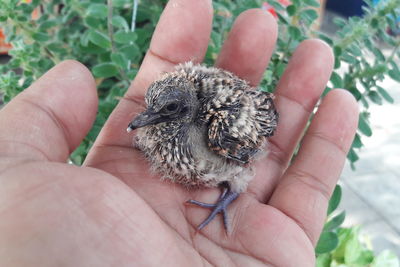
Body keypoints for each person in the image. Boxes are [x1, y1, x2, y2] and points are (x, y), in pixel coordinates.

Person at [0, 1, 358, 266]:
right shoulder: (166, 98)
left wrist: (228, 190)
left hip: (232, 115)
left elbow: (258, 132)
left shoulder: (224, 130)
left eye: (167, 112)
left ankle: (226, 197)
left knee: (227, 165)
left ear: (184, 108)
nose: (148, 120)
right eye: (154, 111)